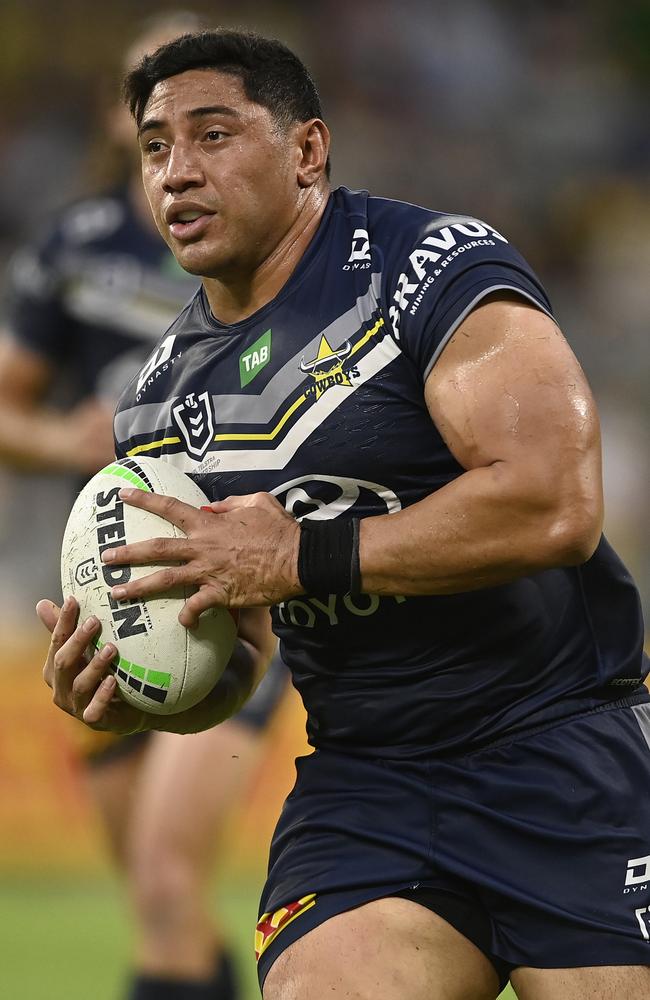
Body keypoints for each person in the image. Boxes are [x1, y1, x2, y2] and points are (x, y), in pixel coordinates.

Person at [37, 28, 650, 1000]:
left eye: (213, 135)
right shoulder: (155, 405)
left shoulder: (430, 268)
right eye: (155, 147)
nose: (177, 173)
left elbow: (554, 505)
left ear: (307, 150)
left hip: (560, 756)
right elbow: (240, 647)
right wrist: (145, 678)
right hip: (369, 788)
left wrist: (301, 556)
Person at [0, 16, 290, 1000]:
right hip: (101, 593)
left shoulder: (264, 240)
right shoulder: (78, 247)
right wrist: (65, 440)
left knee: (166, 878)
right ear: (122, 117)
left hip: (227, 582)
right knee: (155, 897)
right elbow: (6, 407)